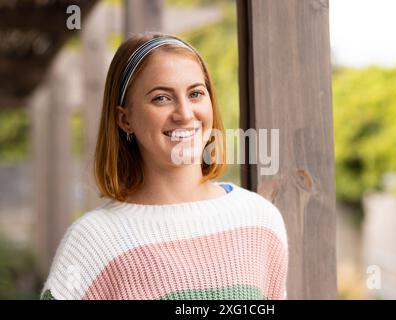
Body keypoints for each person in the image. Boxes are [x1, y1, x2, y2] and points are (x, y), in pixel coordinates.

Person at [40, 33, 288, 300]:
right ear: (125, 119)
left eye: (195, 94)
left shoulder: (259, 219)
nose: (184, 113)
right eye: (161, 98)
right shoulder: (94, 242)